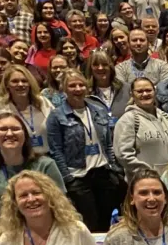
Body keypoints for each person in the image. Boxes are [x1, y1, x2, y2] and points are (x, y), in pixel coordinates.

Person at [0, 111, 65, 245]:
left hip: (46, 240)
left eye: (15, 129)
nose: (10, 133)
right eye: (3, 129)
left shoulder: (46, 165)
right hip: (5, 241)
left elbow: (60, 208)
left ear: (24, 135)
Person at [47, 68, 124, 231]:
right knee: (89, 223)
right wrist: (68, 179)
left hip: (102, 172)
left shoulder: (98, 110)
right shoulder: (57, 116)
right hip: (78, 176)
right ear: (64, 89)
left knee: (107, 221)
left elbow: (107, 143)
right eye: (72, 86)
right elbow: (56, 150)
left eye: (81, 85)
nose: (77, 89)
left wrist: (114, 168)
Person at [113, 76, 168, 175]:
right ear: (132, 94)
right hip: (145, 180)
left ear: (155, 91)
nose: (145, 94)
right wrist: (147, 174)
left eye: (148, 90)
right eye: (139, 91)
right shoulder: (127, 120)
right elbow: (123, 155)